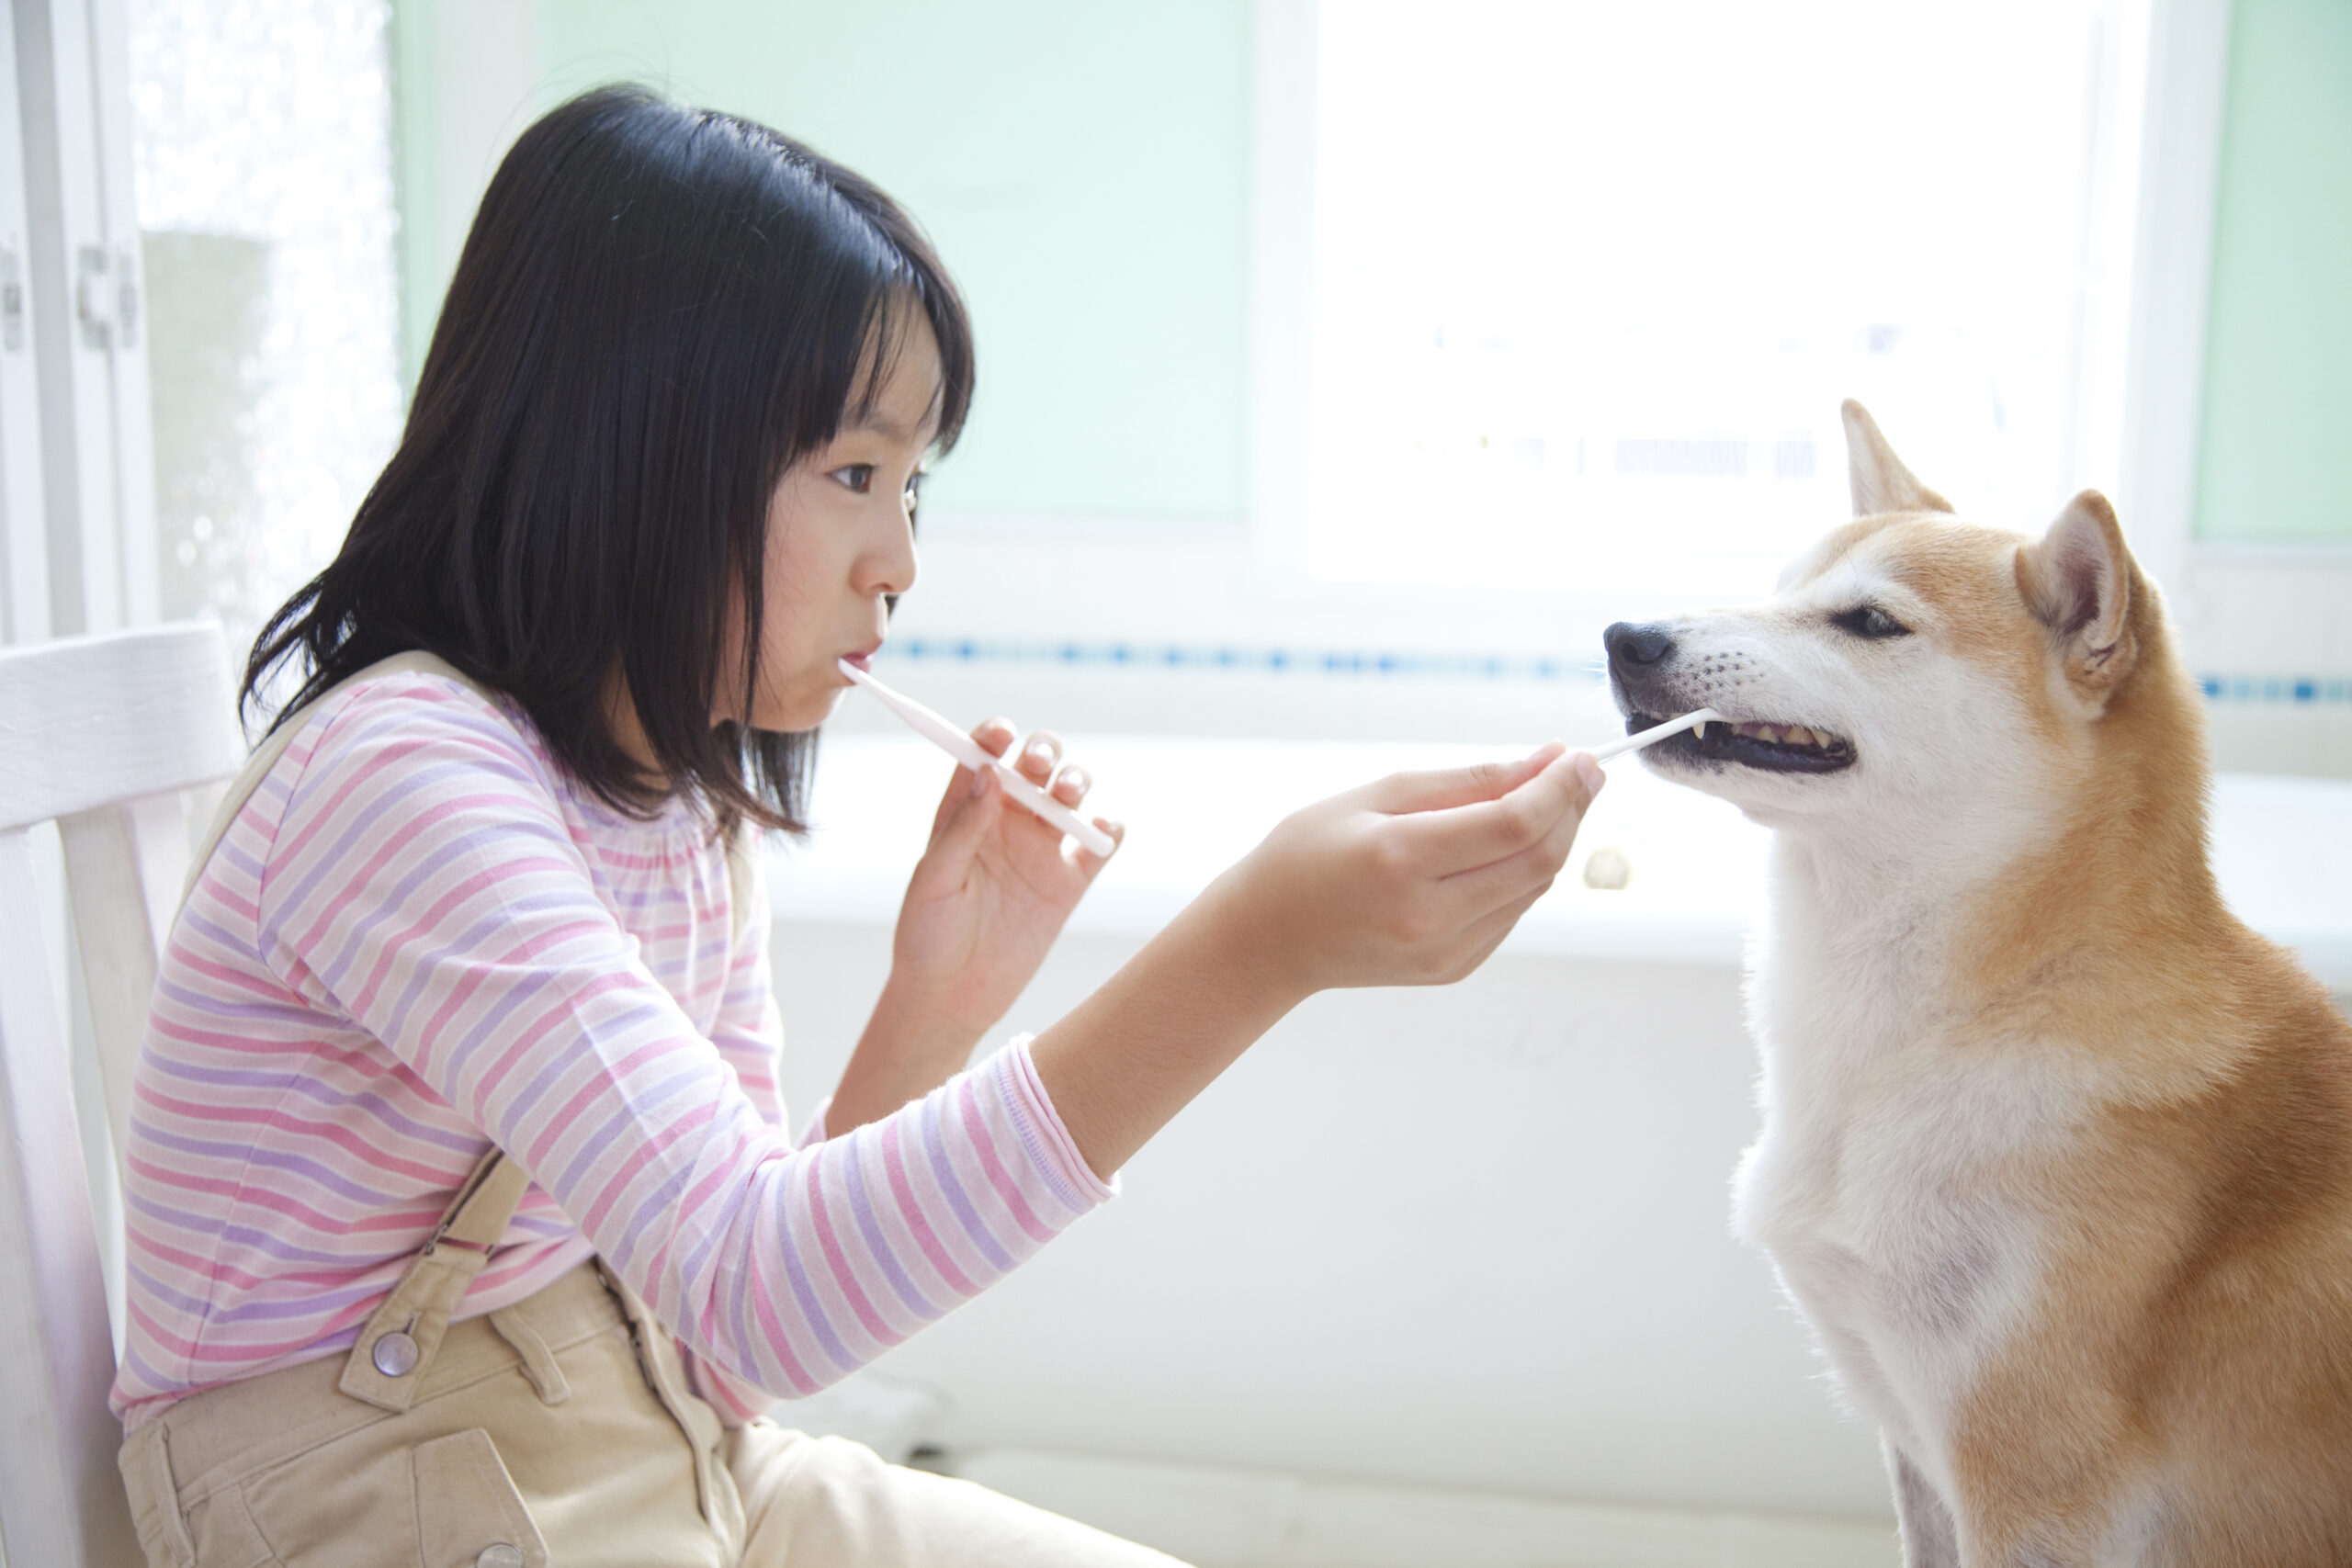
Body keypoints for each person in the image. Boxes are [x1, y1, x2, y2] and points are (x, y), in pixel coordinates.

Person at [112, 85, 1604, 1568]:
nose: (899, 561)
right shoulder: (401, 779)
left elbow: (733, 1353)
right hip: (374, 1500)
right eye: (851, 475)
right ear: (638, 449)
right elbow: (765, 1293)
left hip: (667, 1456)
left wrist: (936, 1002)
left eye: (913, 486)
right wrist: (1256, 949)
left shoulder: (677, 810)